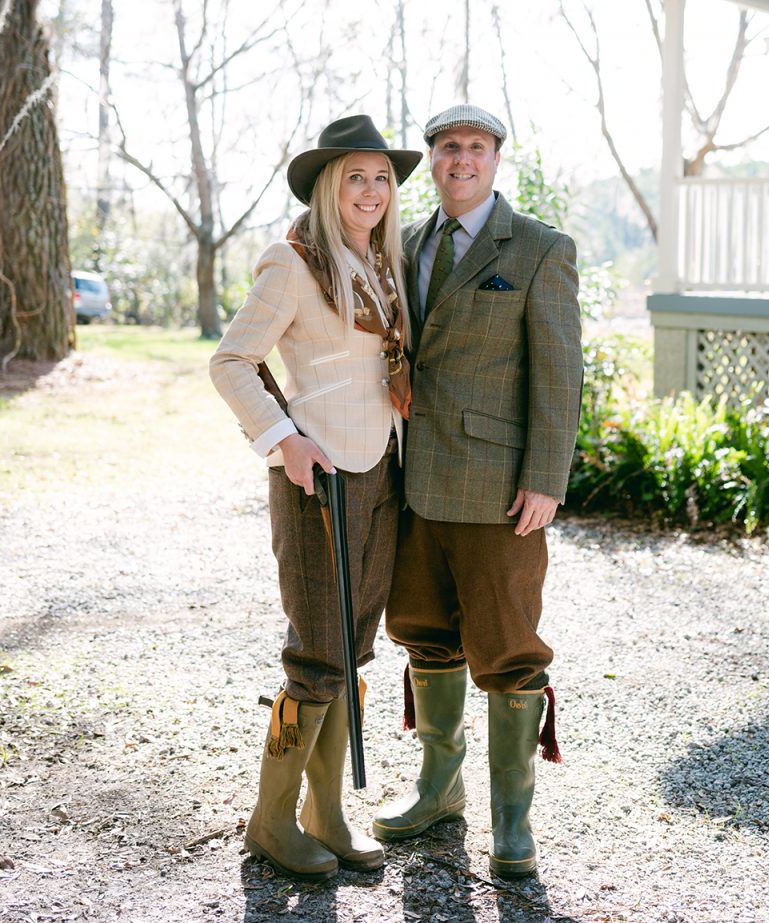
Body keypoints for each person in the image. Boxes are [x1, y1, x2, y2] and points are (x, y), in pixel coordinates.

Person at [371, 104, 583, 878]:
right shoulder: (407, 242)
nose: (461, 159)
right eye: (448, 147)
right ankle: (437, 788)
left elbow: (560, 373)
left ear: (495, 160)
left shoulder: (538, 248)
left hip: (499, 490)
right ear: (431, 160)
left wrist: (546, 479)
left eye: (476, 148)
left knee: (509, 650)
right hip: (414, 480)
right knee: (424, 630)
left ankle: (513, 820)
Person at [209, 115, 422, 882]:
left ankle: (323, 814)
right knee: (316, 655)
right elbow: (232, 361)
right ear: (330, 186)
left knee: (353, 646)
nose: (370, 190)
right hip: (318, 477)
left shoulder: (382, 264)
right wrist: (283, 440)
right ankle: (271, 819)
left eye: (381, 178)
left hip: (383, 472)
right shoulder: (293, 262)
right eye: (355, 177)